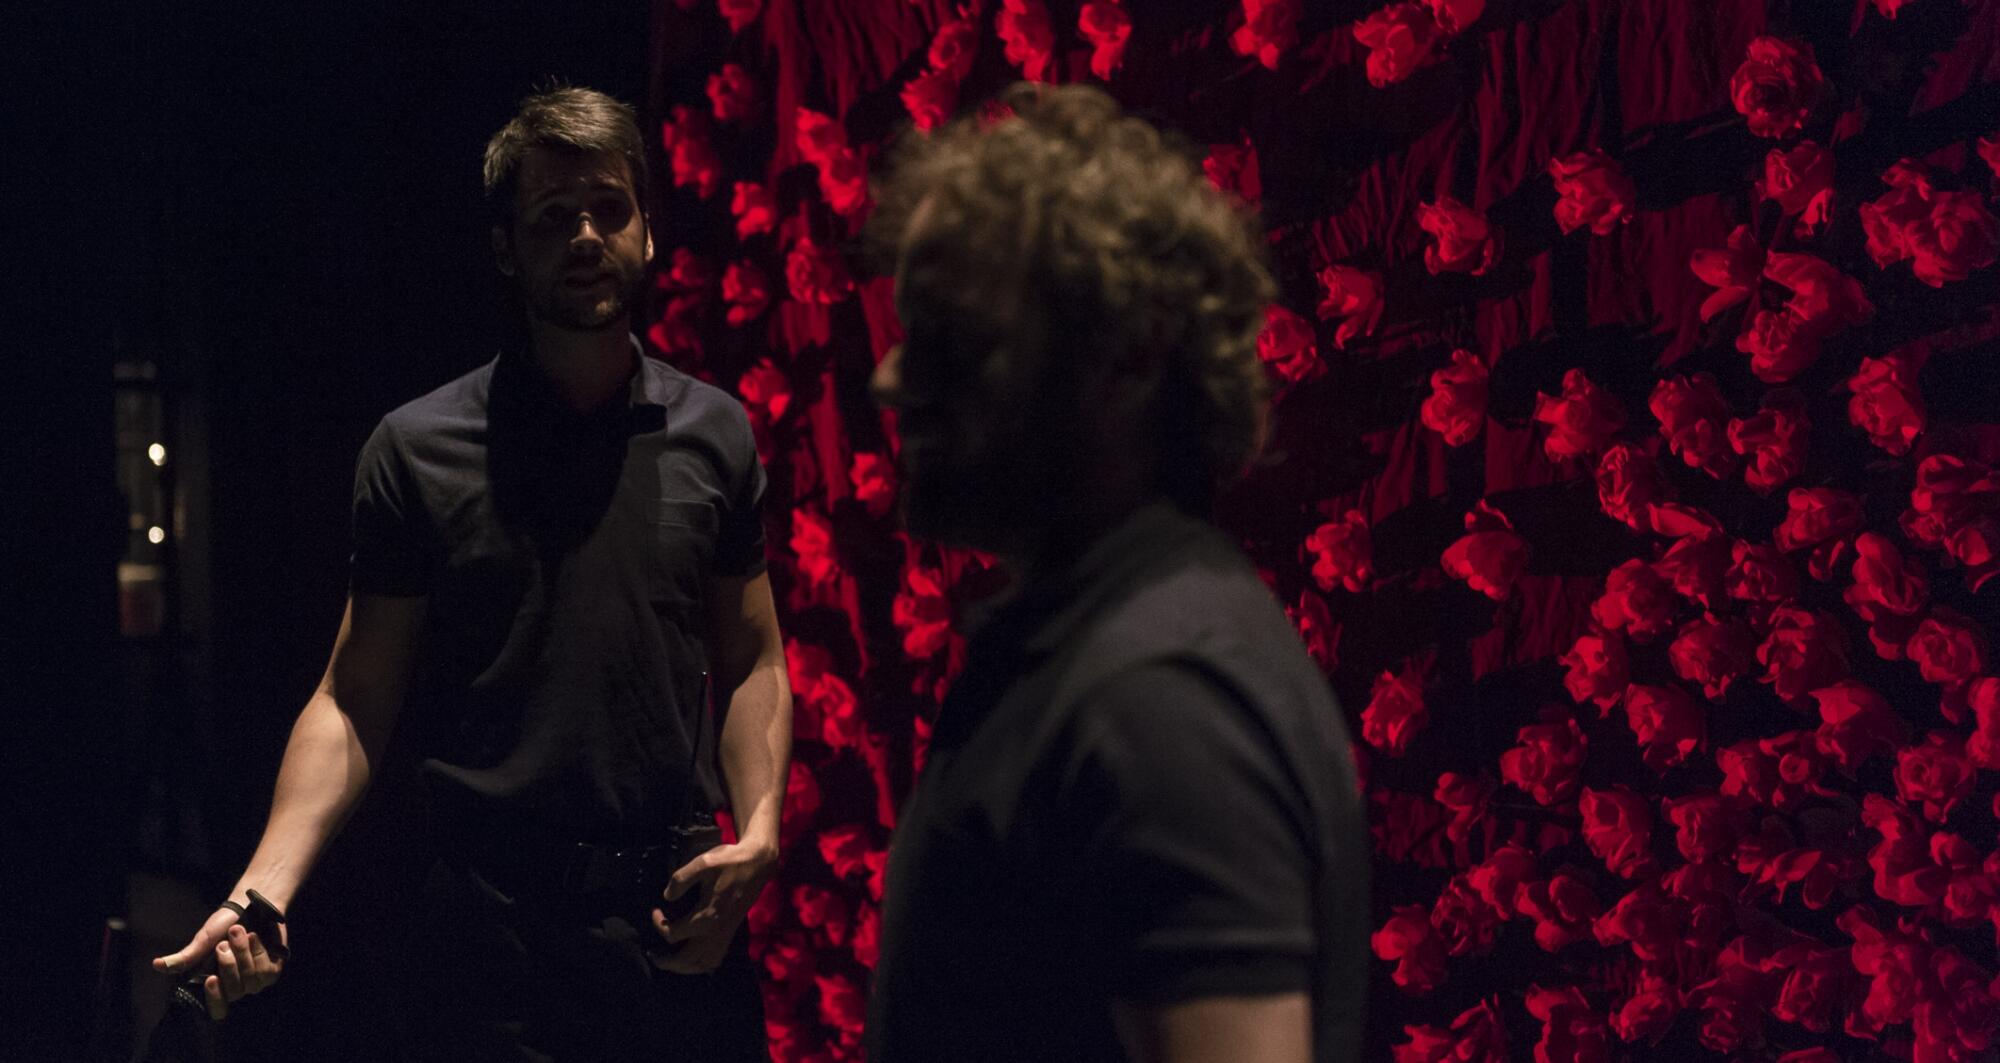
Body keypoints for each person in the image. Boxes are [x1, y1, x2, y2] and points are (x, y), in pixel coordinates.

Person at [151, 86, 790, 1061]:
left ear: (648, 230)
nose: (586, 235)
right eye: (553, 214)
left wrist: (761, 832)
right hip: (489, 944)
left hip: (673, 922)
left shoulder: (716, 433)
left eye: (609, 207)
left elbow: (751, 656)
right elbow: (355, 694)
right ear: (506, 248)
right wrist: (261, 889)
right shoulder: (419, 449)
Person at [864, 84, 1368, 1063]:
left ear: (1127, 357)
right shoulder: (1097, 650)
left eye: (949, 336)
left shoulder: (1157, 699)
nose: (888, 378)